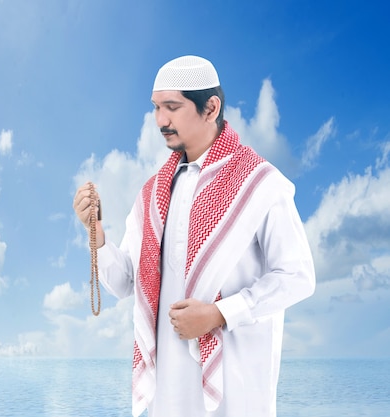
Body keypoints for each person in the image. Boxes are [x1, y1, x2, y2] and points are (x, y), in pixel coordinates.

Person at [72, 55, 315, 417]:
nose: (160, 120)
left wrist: (219, 313)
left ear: (210, 107)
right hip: (168, 396)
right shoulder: (153, 193)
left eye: (172, 107)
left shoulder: (259, 184)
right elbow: (125, 284)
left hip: (235, 392)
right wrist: (97, 233)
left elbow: (298, 277)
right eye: (156, 108)